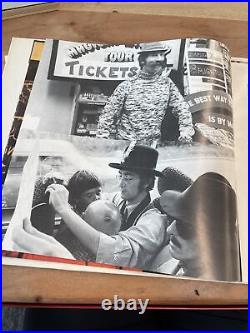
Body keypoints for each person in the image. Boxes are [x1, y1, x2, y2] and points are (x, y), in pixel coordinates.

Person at [12, 144, 169, 270]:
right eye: (120, 176)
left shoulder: (153, 221)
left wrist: (64, 210)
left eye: (128, 178)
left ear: (147, 182)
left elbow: (116, 252)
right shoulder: (118, 199)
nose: (121, 183)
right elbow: (89, 202)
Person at [97, 42, 194, 144]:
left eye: (161, 55)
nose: (160, 59)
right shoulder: (127, 86)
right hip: (126, 147)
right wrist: (103, 142)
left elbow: (182, 109)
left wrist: (186, 132)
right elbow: (107, 116)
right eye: (154, 55)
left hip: (152, 148)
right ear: (143, 60)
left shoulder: (167, 84)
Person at [156, 172, 241, 281]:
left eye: (186, 227)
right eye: (172, 219)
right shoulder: (174, 261)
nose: (170, 230)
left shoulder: (215, 288)